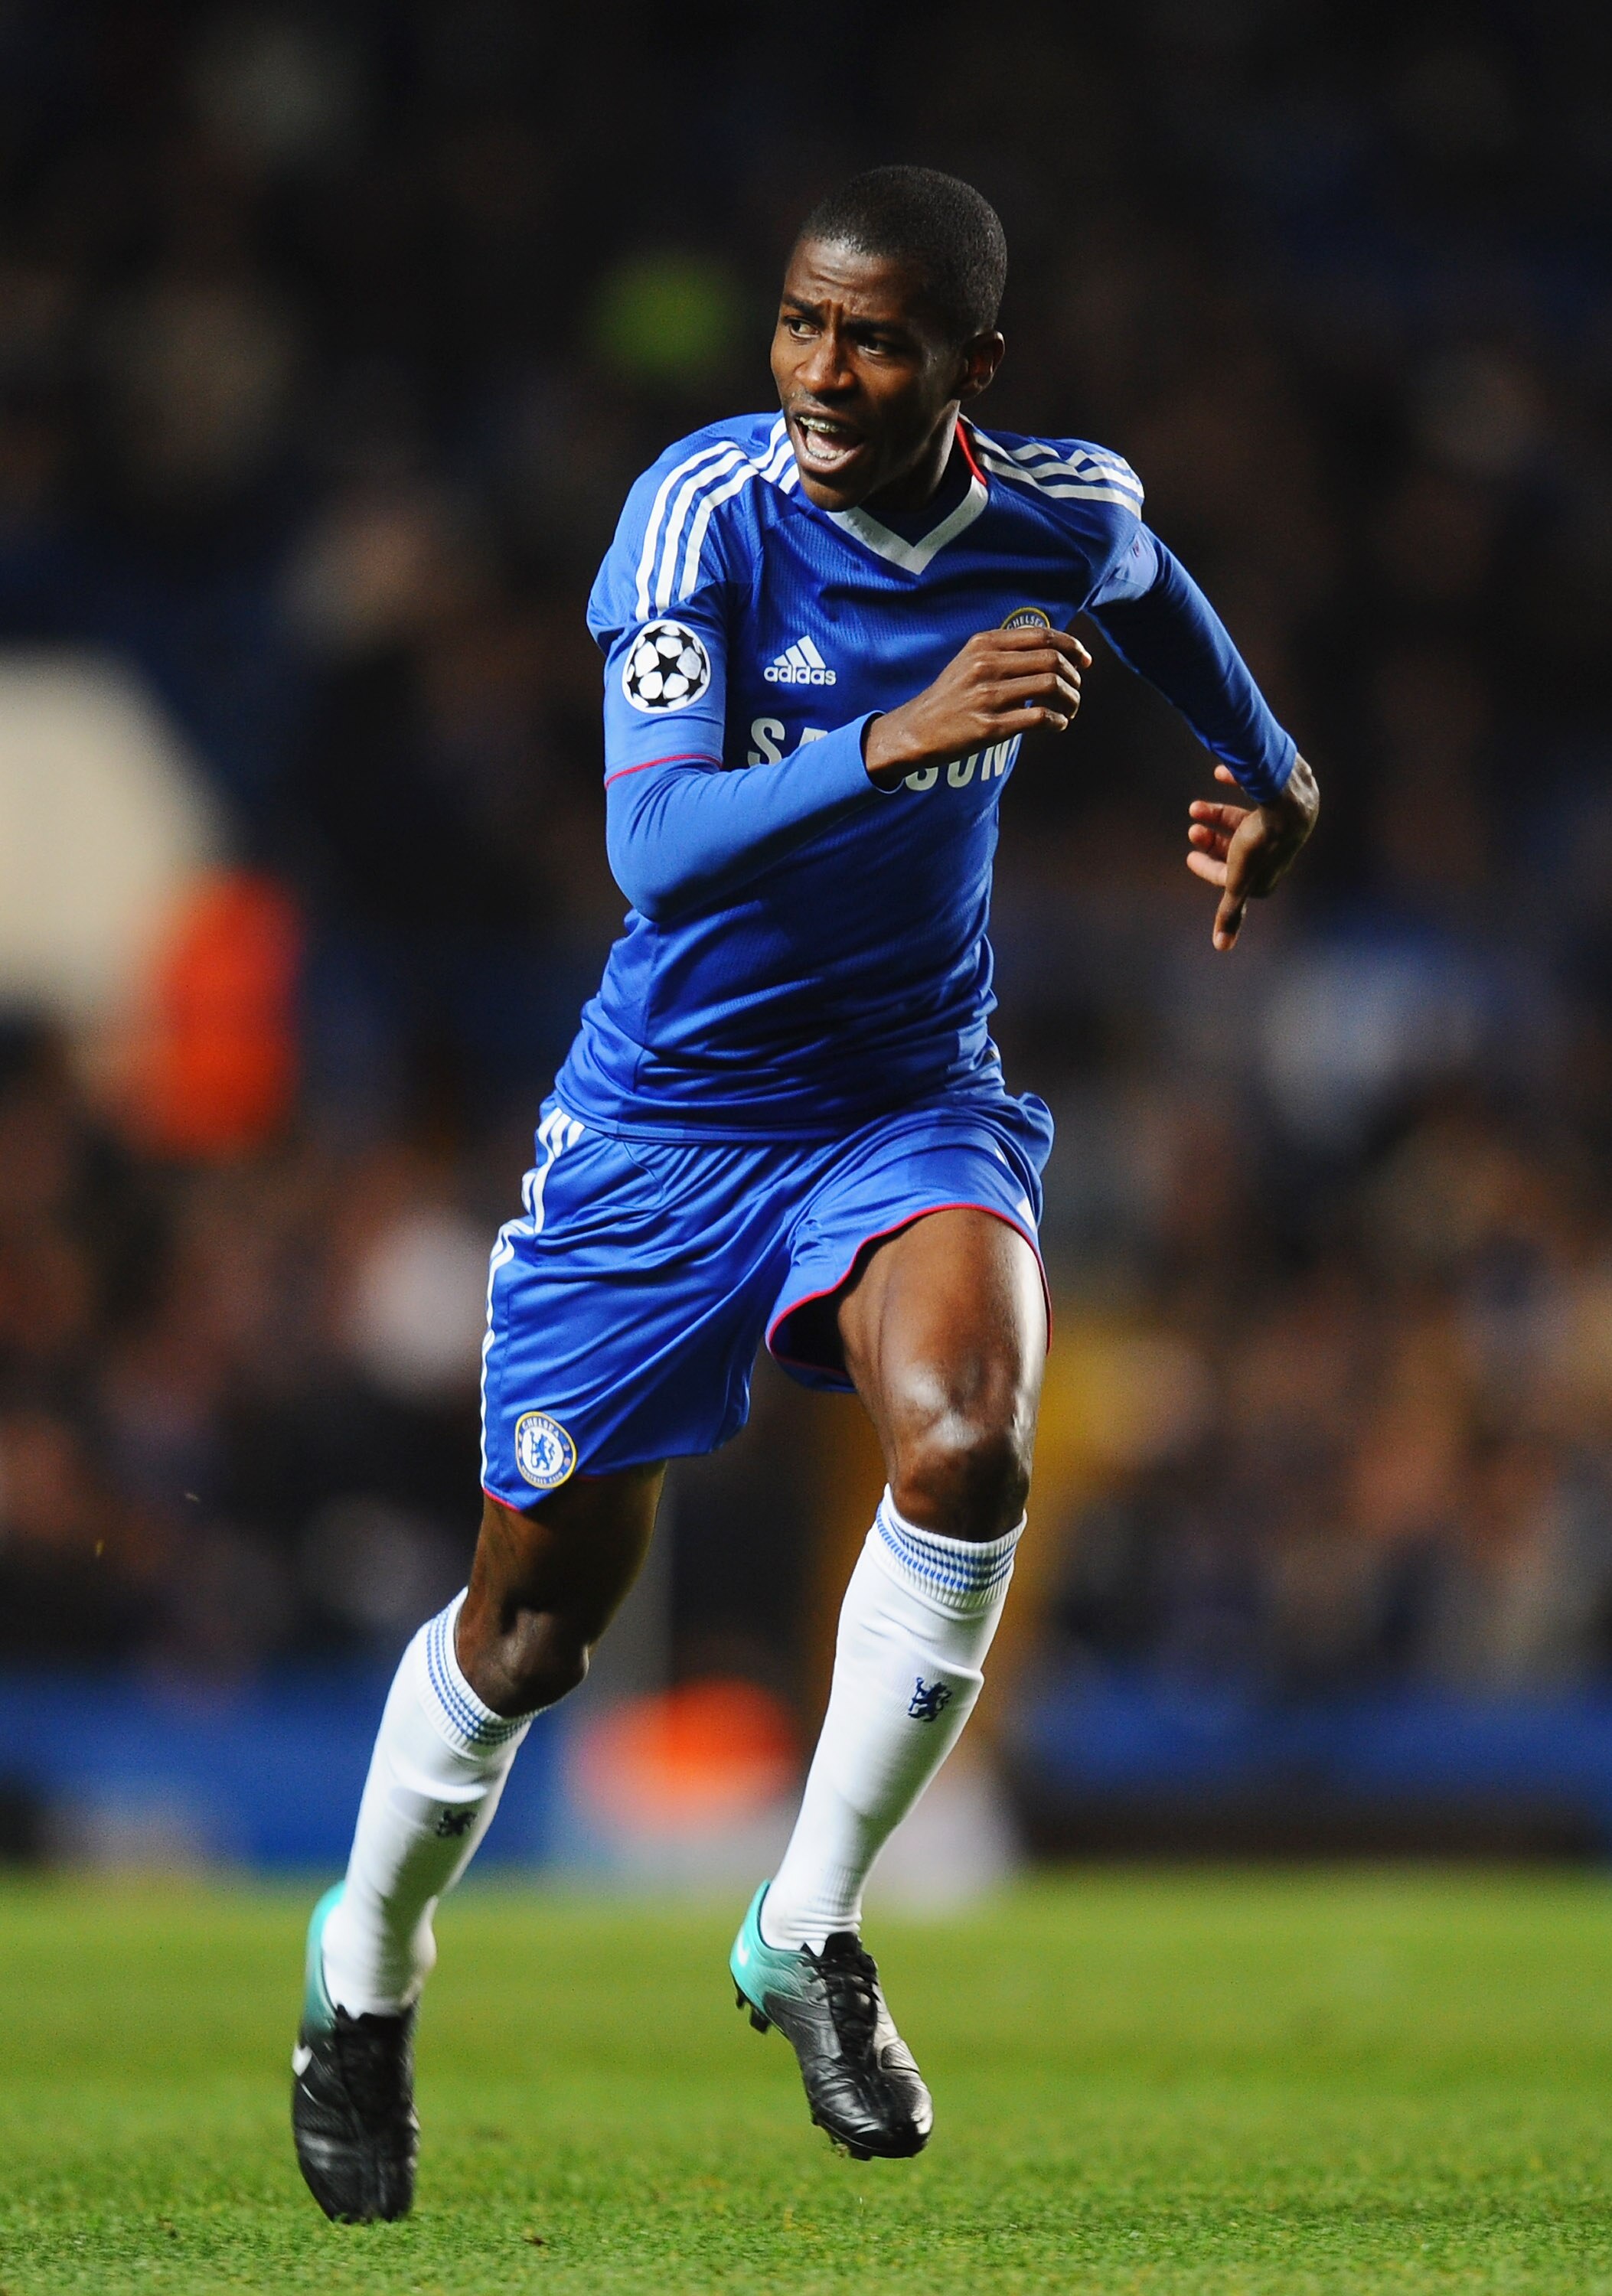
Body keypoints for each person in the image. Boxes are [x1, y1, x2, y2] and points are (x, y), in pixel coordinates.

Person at [291, 165, 1319, 2220]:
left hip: (903, 1101)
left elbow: (1171, 615)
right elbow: (655, 853)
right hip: (663, 1129)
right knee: (532, 1628)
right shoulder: (704, 513)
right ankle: (361, 1974)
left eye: (873, 338)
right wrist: (894, 732)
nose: (824, 372)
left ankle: (808, 1930)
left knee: (966, 1442)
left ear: (969, 364)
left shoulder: (1056, 509)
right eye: (798, 325)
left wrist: (1271, 785)